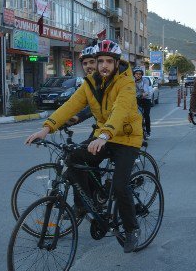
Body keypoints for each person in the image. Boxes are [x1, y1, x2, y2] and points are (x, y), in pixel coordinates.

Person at [25, 39, 143, 253]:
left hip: (126, 138)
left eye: (109, 61)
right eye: (100, 61)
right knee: (73, 157)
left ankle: (132, 228)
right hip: (103, 135)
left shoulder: (126, 83)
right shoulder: (90, 83)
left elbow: (121, 109)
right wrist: (46, 128)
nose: (104, 65)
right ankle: (86, 204)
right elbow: (70, 106)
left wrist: (104, 135)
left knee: (119, 185)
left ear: (116, 63)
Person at [133, 66, 153, 138]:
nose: (138, 75)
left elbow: (146, 91)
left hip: (146, 98)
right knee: (134, 114)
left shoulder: (145, 80)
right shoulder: (132, 81)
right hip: (136, 98)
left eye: (140, 74)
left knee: (146, 114)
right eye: (136, 74)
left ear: (141, 75)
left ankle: (148, 131)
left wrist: (142, 95)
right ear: (134, 74)